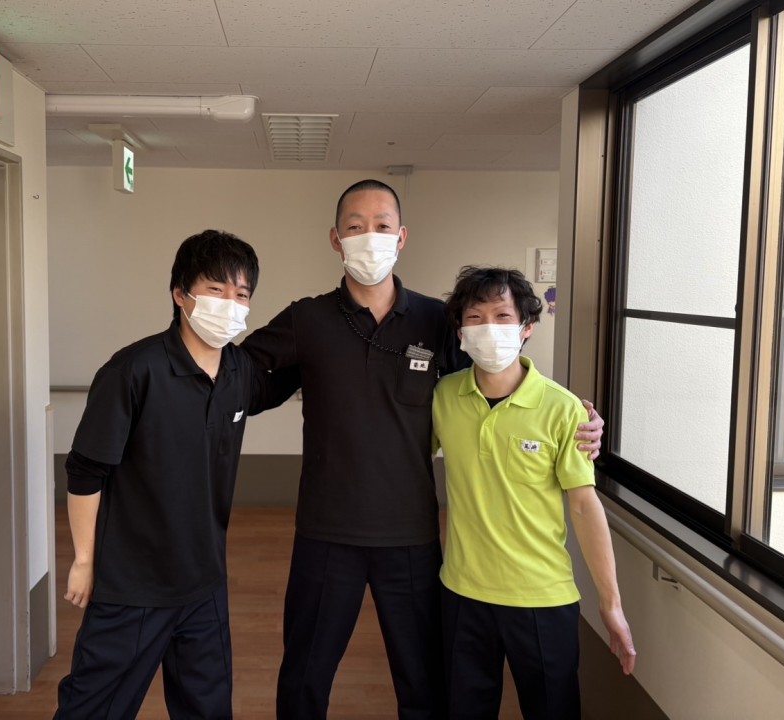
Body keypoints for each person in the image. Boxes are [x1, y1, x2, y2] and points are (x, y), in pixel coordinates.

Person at [240, 180, 605, 719]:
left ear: (402, 237)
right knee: (305, 677)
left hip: (410, 536)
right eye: (355, 226)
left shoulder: (437, 321)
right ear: (336, 239)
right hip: (326, 532)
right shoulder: (308, 320)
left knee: (423, 682)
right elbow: (244, 380)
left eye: (382, 226)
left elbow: (494, 380)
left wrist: (575, 415)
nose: (369, 237)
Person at [54, 230, 297, 720]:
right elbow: (85, 470)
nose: (230, 304)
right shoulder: (133, 371)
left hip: (204, 586)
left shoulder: (239, 372)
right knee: (91, 711)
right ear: (181, 295)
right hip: (131, 588)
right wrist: (84, 559)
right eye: (216, 289)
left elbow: (299, 366)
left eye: (241, 294)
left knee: (208, 710)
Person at [431, 266, 636, 719]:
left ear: (527, 327)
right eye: (475, 317)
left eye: (502, 316)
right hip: (463, 593)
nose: (488, 328)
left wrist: (611, 605)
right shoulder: (443, 396)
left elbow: (583, 506)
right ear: (460, 332)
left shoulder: (564, 409)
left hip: (542, 598)